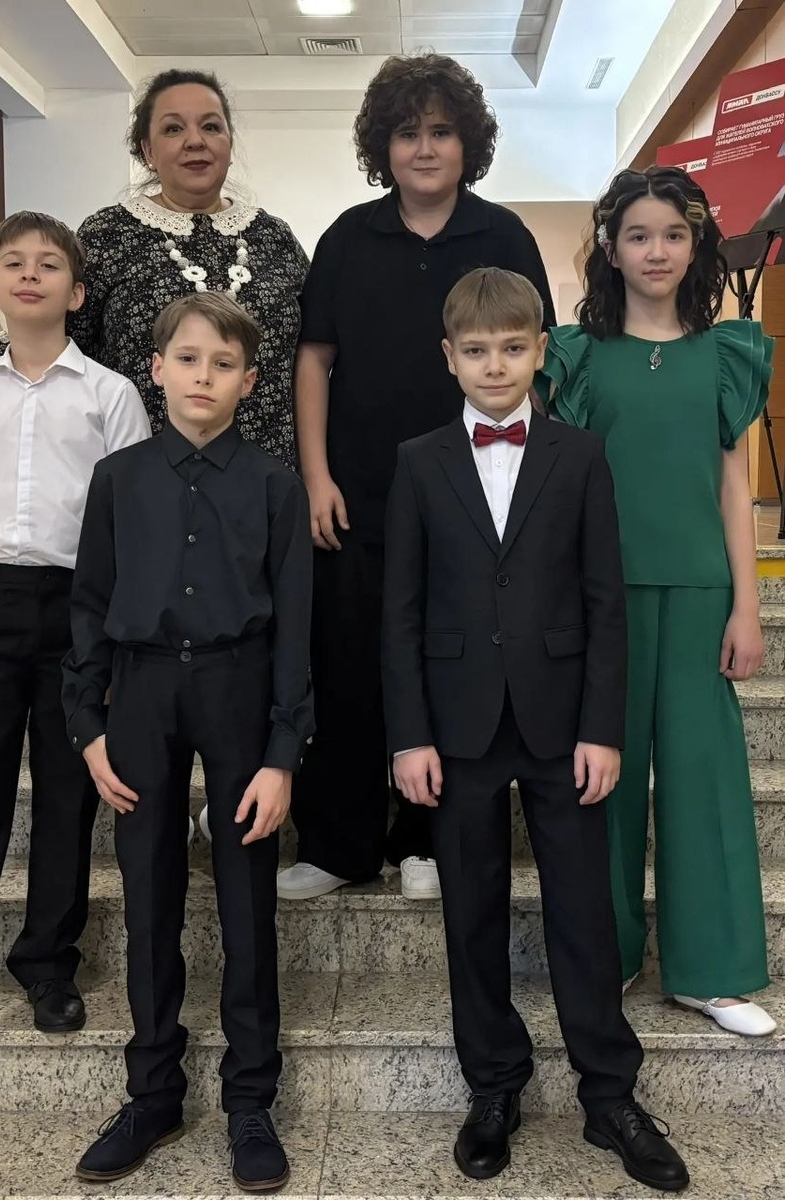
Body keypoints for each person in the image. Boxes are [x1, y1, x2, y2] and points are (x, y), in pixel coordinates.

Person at [381, 266, 689, 1192]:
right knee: (470, 912)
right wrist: (408, 735)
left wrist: (603, 728)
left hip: (564, 725)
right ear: (449, 357)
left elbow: (604, 602)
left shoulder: (580, 455)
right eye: (477, 350)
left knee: (583, 913)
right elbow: (400, 610)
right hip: (457, 725)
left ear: (540, 351)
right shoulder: (417, 461)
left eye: (513, 348)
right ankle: (493, 1087)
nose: (495, 365)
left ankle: (609, 1094)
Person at [276, 52, 556, 904]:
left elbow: (535, 371)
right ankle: (339, 842)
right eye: (407, 133)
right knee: (349, 663)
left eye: (440, 131)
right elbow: (313, 360)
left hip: (471, 502)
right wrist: (315, 475)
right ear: (382, 147)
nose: (425, 148)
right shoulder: (347, 238)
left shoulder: (504, 237)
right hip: (357, 495)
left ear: (468, 143)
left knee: (452, 666)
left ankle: (426, 842)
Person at [62, 291, 313, 1189]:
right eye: (188, 358)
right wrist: (89, 728)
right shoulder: (117, 479)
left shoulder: (277, 485)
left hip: (238, 686)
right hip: (141, 691)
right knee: (148, 896)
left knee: (247, 898)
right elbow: (89, 605)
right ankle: (153, 1093)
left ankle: (251, 1099)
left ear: (250, 381)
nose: (203, 375)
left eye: (223, 363)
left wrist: (283, 754)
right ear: (156, 368)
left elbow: (296, 628)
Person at [536, 165, 775, 1037]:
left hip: (701, 592)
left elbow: (733, 486)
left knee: (702, 779)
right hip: (601, 597)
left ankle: (709, 971)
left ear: (697, 243)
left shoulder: (729, 352)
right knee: (600, 780)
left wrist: (746, 606)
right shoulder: (575, 356)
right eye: (638, 235)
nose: (657, 250)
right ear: (610, 248)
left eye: (674, 234)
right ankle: (604, 957)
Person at [0, 211, 150, 1052]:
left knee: (65, 792)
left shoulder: (111, 394)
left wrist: (116, 623)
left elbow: (138, 516)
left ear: (76, 292)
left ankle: (48, 962)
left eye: (49, 264)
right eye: (13, 262)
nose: (29, 274)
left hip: (79, 608)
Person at [0, 68, 308, 468]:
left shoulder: (274, 237)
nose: (195, 141)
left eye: (211, 126)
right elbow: (50, 329)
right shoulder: (109, 234)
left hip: (269, 477)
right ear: (148, 151)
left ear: (229, 143)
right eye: (173, 129)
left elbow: (312, 358)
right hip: (145, 474)